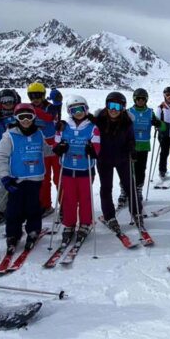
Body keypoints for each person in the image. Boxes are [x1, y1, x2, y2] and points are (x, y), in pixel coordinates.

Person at [0, 103, 49, 255]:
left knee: (33, 207)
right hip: (16, 179)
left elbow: (45, 150)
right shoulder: (9, 136)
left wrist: (58, 149)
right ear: (16, 118)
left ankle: (33, 230)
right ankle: (13, 234)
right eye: (21, 117)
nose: (25, 120)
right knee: (14, 209)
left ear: (34, 117)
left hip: (35, 177)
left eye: (29, 116)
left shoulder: (39, 134)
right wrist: (5, 177)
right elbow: (2, 158)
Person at [52, 95, 100, 244]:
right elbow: (56, 144)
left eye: (81, 109)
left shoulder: (93, 127)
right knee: (69, 198)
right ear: (69, 111)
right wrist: (60, 148)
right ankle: (69, 223)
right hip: (67, 168)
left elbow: (97, 148)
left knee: (85, 198)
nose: (78, 112)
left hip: (85, 169)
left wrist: (91, 149)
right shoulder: (64, 126)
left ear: (86, 109)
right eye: (74, 110)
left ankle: (85, 222)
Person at [95, 91, 141, 232]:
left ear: (123, 108)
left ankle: (136, 212)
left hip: (122, 158)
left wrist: (132, 148)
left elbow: (131, 139)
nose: (114, 109)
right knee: (106, 188)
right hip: (104, 159)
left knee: (129, 186)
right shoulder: (98, 119)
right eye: (111, 105)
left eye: (118, 106)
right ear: (106, 106)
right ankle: (110, 216)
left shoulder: (127, 121)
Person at [27, 81, 61, 215]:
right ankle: (45, 205)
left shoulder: (50, 107)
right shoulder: (28, 109)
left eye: (38, 96)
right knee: (43, 179)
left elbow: (49, 117)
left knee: (59, 177)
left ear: (43, 95)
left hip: (54, 146)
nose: (35, 99)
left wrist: (33, 111)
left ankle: (64, 205)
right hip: (39, 147)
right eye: (32, 96)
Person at [0, 89, 20, 224]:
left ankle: (18, 208)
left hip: (19, 151)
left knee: (20, 180)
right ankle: (0, 210)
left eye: (10, 100)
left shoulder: (19, 112)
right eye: (4, 101)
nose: (7, 103)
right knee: (2, 180)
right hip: (1, 152)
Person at [127, 88, 157, 197]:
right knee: (128, 169)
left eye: (143, 99)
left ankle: (138, 188)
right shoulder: (128, 112)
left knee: (141, 169)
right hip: (130, 146)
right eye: (138, 98)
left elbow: (162, 127)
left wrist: (158, 123)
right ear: (134, 99)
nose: (140, 100)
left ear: (146, 100)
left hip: (144, 146)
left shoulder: (150, 112)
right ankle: (125, 190)